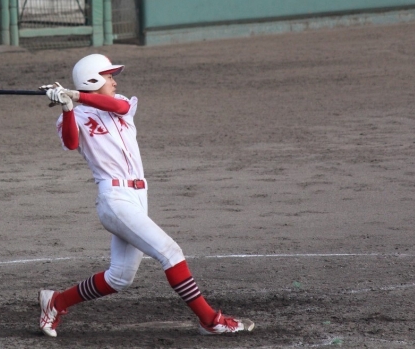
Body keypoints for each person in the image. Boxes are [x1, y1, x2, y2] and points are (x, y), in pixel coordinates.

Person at [38, 54, 254, 337]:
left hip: (139, 197)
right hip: (114, 199)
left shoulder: (120, 105)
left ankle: (56, 302)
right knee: (170, 253)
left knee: (120, 277)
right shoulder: (74, 116)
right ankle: (211, 321)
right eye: (109, 76)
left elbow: (119, 105)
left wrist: (75, 95)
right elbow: (70, 142)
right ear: (92, 80)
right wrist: (68, 108)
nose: (114, 81)